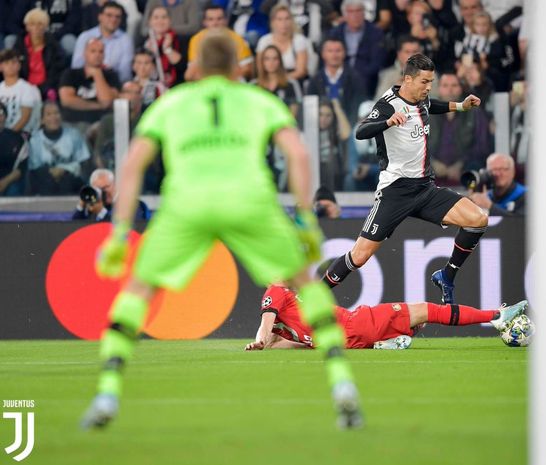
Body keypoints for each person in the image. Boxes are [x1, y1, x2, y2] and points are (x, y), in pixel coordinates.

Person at [80, 31, 363, 430]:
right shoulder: (258, 100)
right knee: (305, 283)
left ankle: (107, 394)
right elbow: (298, 154)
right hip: (249, 201)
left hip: (186, 204)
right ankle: (343, 388)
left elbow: (131, 166)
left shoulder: (171, 102)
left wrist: (119, 231)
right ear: (237, 68)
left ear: (194, 67)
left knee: (138, 290)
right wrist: (305, 219)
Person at [320, 53, 485, 306]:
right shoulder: (388, 104)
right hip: (395, 191)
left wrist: (460, 106)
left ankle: (447, 275)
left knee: (478, 219)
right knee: (360, 255)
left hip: (425, 188)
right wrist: (386, 122)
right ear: (407, 79)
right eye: (424, 82)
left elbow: (434, 105)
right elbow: (360, 131)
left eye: (431, 82)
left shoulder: (422, 98)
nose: (429, 87)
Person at [245, 284, 528, 350]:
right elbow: (265, 327)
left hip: (348, 340)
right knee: (428, 310)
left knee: (418, 320)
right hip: (357, 322)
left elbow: (272, 339)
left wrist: (262, 344)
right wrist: (260, 339)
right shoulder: (276, 291)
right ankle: (497, 316)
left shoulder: (286, 324)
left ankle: (392, 340)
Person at [429, 73, 485, 187]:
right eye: (445, 86)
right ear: (439, 89)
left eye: (454, 85)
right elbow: (417, 144)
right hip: (430, 173)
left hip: (466, 171)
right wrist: (432, 163)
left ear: (460, 88)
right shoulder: (427, 112)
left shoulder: (474, 112)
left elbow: (481, 145)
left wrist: (461, 164)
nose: (450, 90)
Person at [28, 102, 90, 195]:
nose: (54, 117)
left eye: (56, 113)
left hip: (71, 180)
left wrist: (64, 170)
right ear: (42, 120)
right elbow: (34, 169)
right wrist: (52, 173)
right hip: (45, 182)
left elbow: (83, 162)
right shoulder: (35, 140)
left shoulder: (74, 135)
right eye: (48, 114)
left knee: (67, 182)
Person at [327, 0, 386, 96]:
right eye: (351, 12)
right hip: (340, 74)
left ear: (364, 13)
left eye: (358, 11)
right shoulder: (335, 33)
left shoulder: (375, 33)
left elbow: (377, 62)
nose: (355, 15)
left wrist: (357, 76)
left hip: (366, 76)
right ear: (344, 15)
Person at [59, 38, 121, 129]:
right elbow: (67, 100)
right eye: (93, 51)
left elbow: (107, 102)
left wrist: (97, 75)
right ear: (85, 54)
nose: (97, 55)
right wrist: (98, 106)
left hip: (101, 125)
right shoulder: (70, 74)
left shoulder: (111, 75)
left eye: (101, 52)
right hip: (73, 123)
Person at [306, 38, 367, 125]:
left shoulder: (355, 78)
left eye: (338, 51)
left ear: (344, 53)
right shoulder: (315, 80)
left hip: (350, 126)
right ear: (323, 54)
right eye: (330, 51)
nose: (334, 55)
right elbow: (310, 108)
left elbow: (359, 106)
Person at [185, 3, 254, 81]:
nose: (215, 23)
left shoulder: (237, 39)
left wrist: (224, 80)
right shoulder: (196, 40)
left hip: (231, 83)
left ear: (225, 21)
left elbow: (247, 69)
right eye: (211, 19)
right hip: (206, 83)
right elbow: (190, 73)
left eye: (219, 19)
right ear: (204, 22)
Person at [12, 8, 68, 99]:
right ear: (27, 27)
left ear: (46, 26)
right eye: (32, 24)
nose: (36, 28)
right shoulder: (19, 45)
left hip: (47, 87)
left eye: (40, 24)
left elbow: (57, 70)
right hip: (23, 87)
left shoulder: (53, 45)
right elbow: (15, 68)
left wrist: (45, 88)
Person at [71, 1, 134, 83]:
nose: (113, 19)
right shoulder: (85, 37)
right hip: (86, 82)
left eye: (117, 17)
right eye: (109, 15)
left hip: (113, 84)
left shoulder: (126, 40)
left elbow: (125, 73)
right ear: (100, 17)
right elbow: (77, 66)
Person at [255, 4, 310, 82]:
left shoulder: (299, 40)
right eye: (279, 19)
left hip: (292, 83)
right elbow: (260, 69)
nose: (284, 23)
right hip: (268, 83)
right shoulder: (264, 41)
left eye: (287, 19)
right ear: (273, 22)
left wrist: (279, 81)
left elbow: (301, 71)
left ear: (291, 21)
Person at [73, 168, 151, 221]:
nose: (102, 192)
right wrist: (81, 206)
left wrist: (101, 212)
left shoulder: (131, 205)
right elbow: (72, 229)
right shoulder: (93, 208)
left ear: (115, 185)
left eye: (105, 187)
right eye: (97, 189)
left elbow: (129, 231)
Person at [0, 48, 42, 134]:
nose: (10, 65)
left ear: (19, 65)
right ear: (1, 67)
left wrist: (8, 135)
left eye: (14, 62)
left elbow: (25, 117)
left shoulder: (27, 88)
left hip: (20, 134)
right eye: (6, 63)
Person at [142, 6, 183, 89]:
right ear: (150, 21)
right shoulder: (144, 41)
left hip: (176, 87)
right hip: (151, 87)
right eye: (156, 17)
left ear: (170, 21)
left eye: (164, 17)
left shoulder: (180, 39)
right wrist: (149, 54)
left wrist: (167, 49)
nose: (160, 21)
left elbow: (182, 67)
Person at [374, 35, 422, 100]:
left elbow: (435, 101)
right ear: (399, 54)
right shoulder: (387, 75)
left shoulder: (430, 75)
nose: (411, 56)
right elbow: (378, 102)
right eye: (407, 52)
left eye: (415, 52)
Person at [0, 101, 29, 196]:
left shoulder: (17, 139)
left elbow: (22, 167)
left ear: (5, 117)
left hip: (9, 181)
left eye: (1, 113)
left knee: (14, 188)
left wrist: (5, 182)